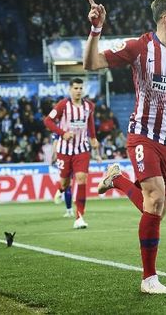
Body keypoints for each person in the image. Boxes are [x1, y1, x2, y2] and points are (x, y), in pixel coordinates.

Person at [83, 0, 166, 294]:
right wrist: (96, 30)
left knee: (154, 211)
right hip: (144, 135)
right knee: (153, 200)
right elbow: (92, 63)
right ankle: (149, 278)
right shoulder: (140, 47)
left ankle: (118, 180)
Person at [43, 78, 100, 229]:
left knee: (81, 179)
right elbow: (48, 121)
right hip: (64, 150)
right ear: (70, 89)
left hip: (82, 149)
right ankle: (60, 189)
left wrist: (93, 138)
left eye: (81, 88)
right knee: (65, 182)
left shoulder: (89, 106)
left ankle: (79, 217)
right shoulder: (63, 105)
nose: (78, 90)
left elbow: (90, 122)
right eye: (75, 88)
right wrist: (63, 133)